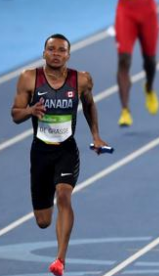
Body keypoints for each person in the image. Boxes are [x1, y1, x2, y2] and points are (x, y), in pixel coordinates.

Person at [10, 34, 110, 276]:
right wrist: (30, 110)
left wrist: (96, 135)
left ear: (68, 54)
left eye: (61, 50)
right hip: (41, 153)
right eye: (51, 49)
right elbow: (15, 114)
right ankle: (51, 219)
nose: (56, 53)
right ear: (43, 53)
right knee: (43, 221)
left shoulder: (82, 80)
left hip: (66, 150)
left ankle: (60, 260)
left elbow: (89, 105)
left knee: (64, 196)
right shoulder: (29, 78)